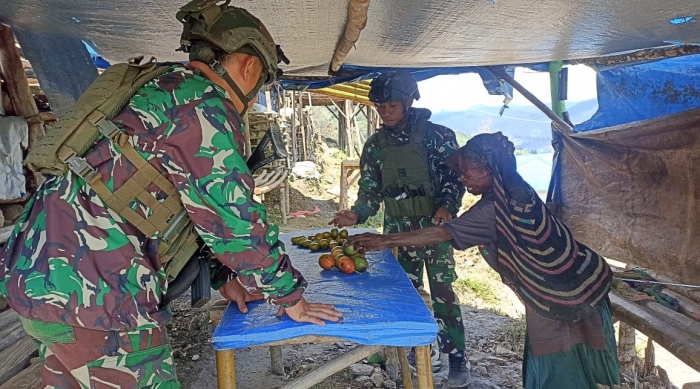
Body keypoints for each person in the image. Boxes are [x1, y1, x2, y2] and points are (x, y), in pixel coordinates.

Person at [0, 2, 342, 388]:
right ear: (250, 66)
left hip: (48, 281)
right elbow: (233, 220)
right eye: (260, 79)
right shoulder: (204, 105)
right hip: (96, 295)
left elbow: (180, 205)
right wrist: (289, 295)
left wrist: (222, 275)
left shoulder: (163, 89)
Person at [347, 133, 621, 389]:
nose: (463, 180)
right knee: (569, 361)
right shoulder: (514, 185)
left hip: (562, 296)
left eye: (469, 173)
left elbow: (443, 233)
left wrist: (386, 240)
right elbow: (455, 161)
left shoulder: (494, 210)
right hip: (581, 280)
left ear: (490, 171)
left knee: (556, 364)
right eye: (462, 172)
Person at [330, 70, 471, 387]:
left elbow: (454, 180)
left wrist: (447, 205)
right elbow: (369, 193)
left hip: (435, 231)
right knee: (398, 293)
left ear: (409, 101)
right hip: (394, 233)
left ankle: (456, 357)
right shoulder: (376, 146)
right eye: (379, 107)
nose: (384, 112)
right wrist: (356, 214)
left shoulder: (439, 137)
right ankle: (394, 351)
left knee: (444, 292)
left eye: (391, 105)